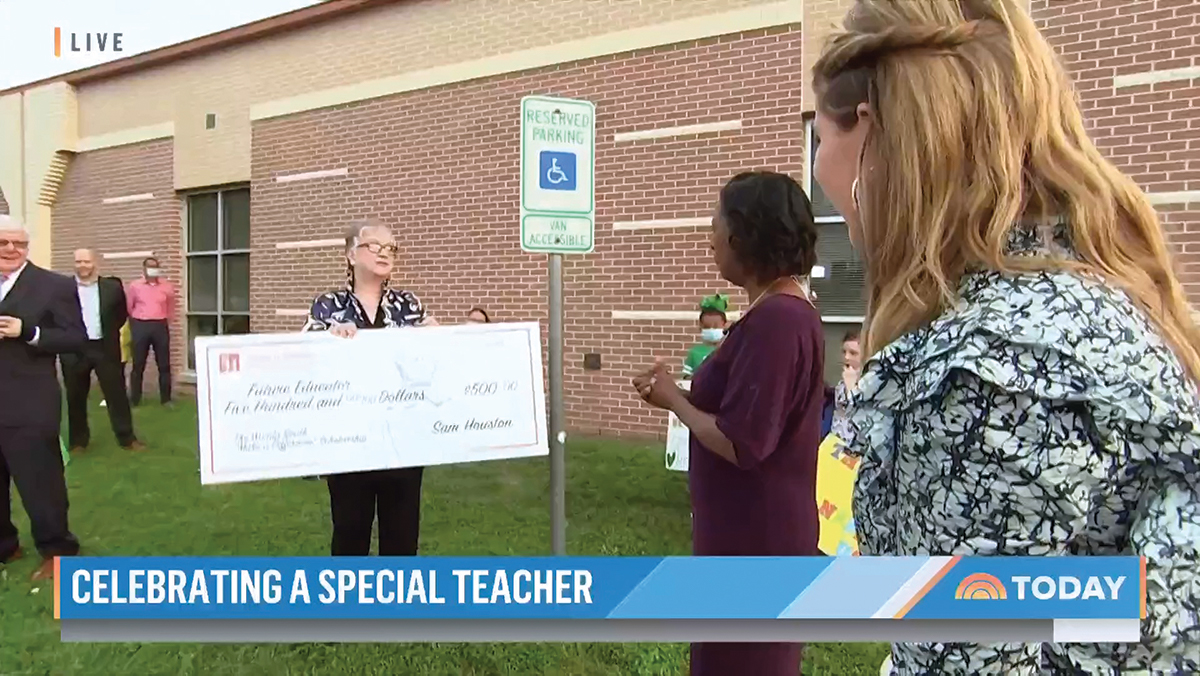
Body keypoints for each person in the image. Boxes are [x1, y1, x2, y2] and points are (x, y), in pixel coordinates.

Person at [813, 1, 1200, 672]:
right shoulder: (1084, 301)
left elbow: (959, 654)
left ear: (871, 136)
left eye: (821, 137)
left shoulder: (989, 372)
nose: (818, 168)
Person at [632, 171, 823, 676]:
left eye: (717, 222)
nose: (710, 237)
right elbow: (750, 410)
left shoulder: (780, 320)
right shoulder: (773, 313)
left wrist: (675, 399)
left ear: (748, 233)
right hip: (743, 537)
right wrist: (683, 396)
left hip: (757, 546)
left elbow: (745, 442)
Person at [303, 219, 435, 556]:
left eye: (391, 247)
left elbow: (430, 366)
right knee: (349, 535)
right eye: (374, 245)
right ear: (351, 254)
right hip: (350, 443)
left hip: (403, 442)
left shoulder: (409, 305)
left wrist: (438, 337)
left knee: (403, 540)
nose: (384, 252)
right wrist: (328, 339)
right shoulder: (328, 306)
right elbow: (305, 358)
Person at [0, 214, 86, 581]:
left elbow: (75, 338)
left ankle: (57, 551)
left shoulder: (53, 286)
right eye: (3, 243)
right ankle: (6, 546)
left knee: (40, 481)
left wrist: (29, 331)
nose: (10, 249)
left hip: (29, 402)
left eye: (18, 243)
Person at [61, 248, 143, 452]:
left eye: (86, 262)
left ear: (95, 263)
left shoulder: (111, 287)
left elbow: (121, 315)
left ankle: (127, 438)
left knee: (116, 394)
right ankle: (79, 442)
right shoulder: (63, 289)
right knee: (76, 396)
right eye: (78, 262)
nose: (83, 266)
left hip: (104, 347)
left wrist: (108, 334)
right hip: (74, 349)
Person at [125, 256, 175, 407]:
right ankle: (135, 399)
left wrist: (165, 321)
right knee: (138, 363)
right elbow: (129, 306)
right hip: (140, 325)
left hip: (160, 325)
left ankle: (166, 399)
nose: (152, 269)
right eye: (149, 266)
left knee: (164, 364)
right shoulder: (135, 286)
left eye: (155, 266)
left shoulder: (167, 287)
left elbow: (170, 307)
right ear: (144, 269)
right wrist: (136, 323)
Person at [681, 294, 727, 379]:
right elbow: (685, 377)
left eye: (715, 326)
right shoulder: (694, 353)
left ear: (724, 325)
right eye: (707, 326)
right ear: (700, 327)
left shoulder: (730, 350)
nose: (711, 329)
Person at [828, 328, 860, 441]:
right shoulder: (841, 384)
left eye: (853, 353)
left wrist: (851, 388)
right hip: (836, 446)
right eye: (844, 352)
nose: (846, 357)